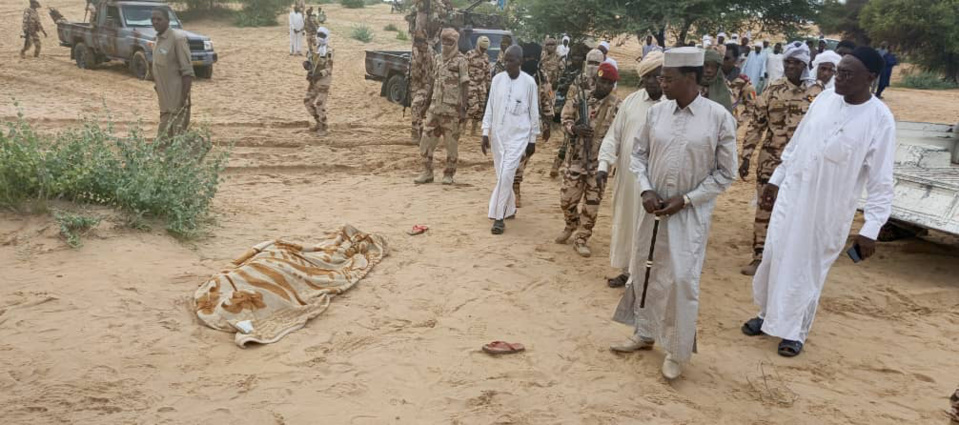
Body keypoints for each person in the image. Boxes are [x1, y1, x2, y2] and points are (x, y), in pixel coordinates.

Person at [744, 47, 896, 358]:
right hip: (792, 196)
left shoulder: (881, 119)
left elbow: (881, 180)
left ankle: (795, 331)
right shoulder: (825, 99)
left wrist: (872, 227)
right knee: (775, 255)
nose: (838, 78)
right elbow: (797, 144)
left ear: (870, 78)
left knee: (808, 268)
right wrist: (776, 181)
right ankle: (766, 314)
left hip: (827, 210)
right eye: (838, 71)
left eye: (847, 74)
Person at [611, 47, 737, 380]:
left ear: (690, 78)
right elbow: (637, 156)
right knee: (645, 269)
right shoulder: (656, 114)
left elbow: (726, 173)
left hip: (689, 215)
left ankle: (676, 351)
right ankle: (644, 333)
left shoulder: (719, 118)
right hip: (651, 210)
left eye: (668, 78)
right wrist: (646, 189)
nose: (661, 83)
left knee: (681, 279)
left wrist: (689, 198)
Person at [739, 41, 823, 275]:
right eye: (788, 62)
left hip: (803, 164)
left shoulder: (818, 93)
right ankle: (759, 257)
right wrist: (746, 156)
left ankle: (788, 259)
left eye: (796, 62)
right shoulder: (772, 90)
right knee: (765, 207)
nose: (791, 66)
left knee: (798, 210)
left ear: (805, 64)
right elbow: (757, 125)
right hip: (770, 161)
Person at [597, 51, 664, 288]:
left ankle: (641, 277)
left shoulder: (673, 105)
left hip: (656, 181)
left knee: (648, 228)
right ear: (642, 79)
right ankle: (627, 270)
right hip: (627, 177)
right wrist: (604, 165)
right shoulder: (631, 102)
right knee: (626, 223)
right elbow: (613, 136)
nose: (655, 81)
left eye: (659, 76)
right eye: (649, 77)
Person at [556, 61, 620, 257]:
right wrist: (574, 128)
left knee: (592, 204)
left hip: (599, 163)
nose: (606, 86)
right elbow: (564, 118)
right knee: (566, 200)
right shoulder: (579, 100)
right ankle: (571, 223)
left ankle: (582, 238)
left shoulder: (617, 106)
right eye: (603, 81)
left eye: (610, 83)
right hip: (576, 158)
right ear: (596, 80)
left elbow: (620, 133)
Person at [481, 45, 540, 235]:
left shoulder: (529, 83)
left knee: (507, 174)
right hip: (498, 136)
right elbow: (489, 107)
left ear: (520, 61)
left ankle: (498, 218)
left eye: (512, 60)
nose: (507, 64)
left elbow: (534, 113)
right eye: (505, 60)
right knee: (502, 175)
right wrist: (484, 132)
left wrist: (532, 139)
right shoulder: (497, 80)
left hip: (519, 136)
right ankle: (511, 207)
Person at [414, 28, 469, 185]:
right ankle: (427, 172)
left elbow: (465, 85)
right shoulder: (437, 59)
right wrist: (425, 104)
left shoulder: (461, 61)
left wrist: (464, 108)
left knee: (451, 145)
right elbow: (433, 81)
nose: (445, 45)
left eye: (449, 42)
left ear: (455, 43)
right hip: (434, 109)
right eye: (443, 41)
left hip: (452, 111)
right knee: (426, 141)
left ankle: (449, 174)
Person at [512, 43, 554, 208]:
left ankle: (515, 186)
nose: (530, 61)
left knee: (523, 156)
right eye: (527, 58)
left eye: (533, 58)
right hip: (510, 123)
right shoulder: (512, 74)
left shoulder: (541, 77)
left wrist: (548, 123)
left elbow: (546, 98)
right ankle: (511, 186)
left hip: (529, 125)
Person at [151, 7, 194, 140]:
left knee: (177, 140)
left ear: (168, 21)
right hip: (165, 103)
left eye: (159, 19)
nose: (155, 22)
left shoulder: (177, 39)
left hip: (177, 103)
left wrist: (183, 98)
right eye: (153, 19)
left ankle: (199, 149)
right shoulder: (158, 40)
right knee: (166, 141)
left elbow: (187, 73)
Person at [550, 43, 590, 178]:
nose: (577, 59)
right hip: (570, 108)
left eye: (580, 56)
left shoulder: (588, 74)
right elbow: (560, 88)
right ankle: (558, 164)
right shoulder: (568, 70)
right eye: (575, 56)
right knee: (569, 138)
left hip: (586, 110)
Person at [304, 27, 333, 136]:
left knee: (320, 105)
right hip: (313, 81)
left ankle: (324, 127)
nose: (320, 38)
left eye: (323, 36)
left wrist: (319, 74)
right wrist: (307, 65)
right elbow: (311, 62)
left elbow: (329, 69)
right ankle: (318, 122)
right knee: (307, 102)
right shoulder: (315, 48)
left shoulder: (329, 51)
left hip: (323, 82)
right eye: (319, 35)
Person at [410, 32, 436, 143]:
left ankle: (417, 133)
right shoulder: (416, 50)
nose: (416, 43)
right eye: (415, 40)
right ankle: (419, 133)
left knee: (415, 106)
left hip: (426, 85)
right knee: (417, 110)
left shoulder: (429, 53)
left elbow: (433, 72)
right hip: (415, 84)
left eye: (418, 41)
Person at [722, 44, 758, 124]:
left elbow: (751, 106)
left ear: (735, 60)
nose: (722, 61)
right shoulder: (712, 78)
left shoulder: (743, 82)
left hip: (728, 123)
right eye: (721, 57)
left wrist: (737, 122)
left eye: (726, 58)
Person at [466, 36, 492, 136]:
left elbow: (487, 72)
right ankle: (462, 125)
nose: (483, 50)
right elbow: (464, 69)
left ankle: (474, 129)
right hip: (471, 84)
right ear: (477, 45)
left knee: (480, 109)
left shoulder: (486, 57)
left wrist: (489, 85)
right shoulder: (470, 54)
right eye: (482, 48)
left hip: (482, 86)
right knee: (474, 107)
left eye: (485, 48)